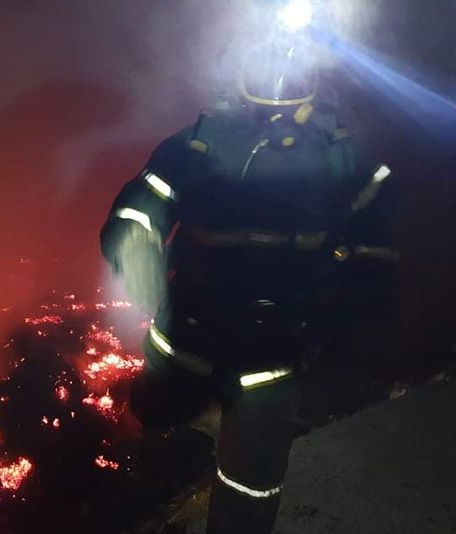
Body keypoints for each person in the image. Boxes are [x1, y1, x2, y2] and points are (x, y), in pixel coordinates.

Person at [100, 38, 398, 534]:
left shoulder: (345, 156)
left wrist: (345, 314)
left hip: (274, 354)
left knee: (248, 484)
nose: (279, 71)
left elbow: (377, 243)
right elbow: (141, 205)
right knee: (147, 441)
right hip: (187, 337)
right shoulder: (197, 145)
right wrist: (134, 244)